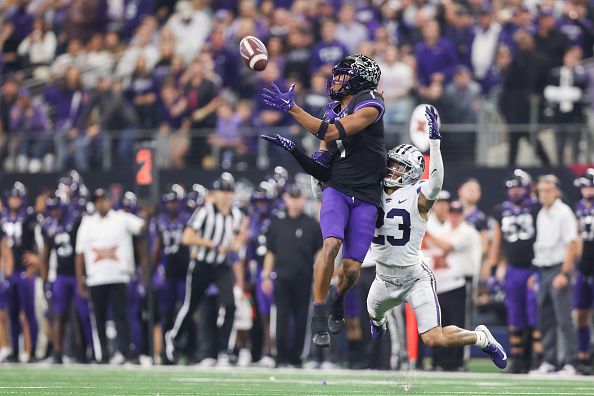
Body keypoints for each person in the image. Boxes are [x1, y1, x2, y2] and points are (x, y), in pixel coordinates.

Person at [365, 106, 506, 370]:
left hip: (413, 278)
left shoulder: (418, 196)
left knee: (434, 339)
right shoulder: (373, 189)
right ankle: (378, 322)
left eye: (399, 166)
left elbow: (437, 181)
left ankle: (480, 337)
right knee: (374, 314)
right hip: (382, 277)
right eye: (391, 164)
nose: (392, 169)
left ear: (412, 172)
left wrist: (434, 144)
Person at [261, 53, 386, 348]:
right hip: (337, 188)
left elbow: (330, 131)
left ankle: (336, 298)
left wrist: (292, 109)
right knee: (330, 245)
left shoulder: (371, 102)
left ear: (359, 79)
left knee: (352, 269)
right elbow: (321, 169)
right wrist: (294, 150)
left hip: (367, 193)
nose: (336, 79)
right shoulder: (331, 110)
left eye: (343, 74)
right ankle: (319, 315)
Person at [164, 173, 244, 364]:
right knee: (190, 307)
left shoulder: (237, 214)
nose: (225, 195)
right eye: (222, 191)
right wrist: (213, 244)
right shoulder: (205, 211)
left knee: (231, 305)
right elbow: (187, 238)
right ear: (215, 193)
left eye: (228, 191)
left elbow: (240, 235)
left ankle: (226, 349)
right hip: (201, 264)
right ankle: (173, 338)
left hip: (221, 265)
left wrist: (237, 243)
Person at [75, 188, 146, 364]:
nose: (101, 203)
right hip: (95, 278)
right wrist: (79, 281)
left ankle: (126, 352)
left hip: (119, 276)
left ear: (110, 201)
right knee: (97, 319)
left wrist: (148, 212)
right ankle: (102, 356)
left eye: (103, 199)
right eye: (97, 200)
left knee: (122, 316)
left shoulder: (122, 218)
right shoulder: (87, 222)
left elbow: (142, 227)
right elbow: (80, 253)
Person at [261, 184, 323, 367]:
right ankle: (279, 357)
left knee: (301, 319)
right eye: (292, 198)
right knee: (280, 318)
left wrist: (318, 279)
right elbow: (270, 252)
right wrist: (265, 276)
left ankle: (297, 358)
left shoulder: (312, 225)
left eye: (298, 198)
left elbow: (320, 255)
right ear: (286, 199)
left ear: (303, 200)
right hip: (281, 278)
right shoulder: (277, 223)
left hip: (303, 279)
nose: (295, 202)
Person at [487, 169, 542, 373]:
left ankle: (538, 359)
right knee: (515, 316)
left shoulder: (537, 208)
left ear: (528, 188)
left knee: (535, 316)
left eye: (520, 188)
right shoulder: (499, 211)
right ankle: (517, 360)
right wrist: (493, 271)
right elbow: (497, 243)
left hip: (533, 268)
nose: (516, 192)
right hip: (513, 270)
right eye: (512, 188)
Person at [530, 175, 581, 375]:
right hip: (543, 269)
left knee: (564, 318)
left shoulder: (564, 212)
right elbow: (542, 245)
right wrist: (536, 271)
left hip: (559, 268)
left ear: (557, 191)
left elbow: (572, 243)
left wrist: (564, 272)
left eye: (548, 190)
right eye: (541, 190)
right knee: (546, 318)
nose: (544, 194)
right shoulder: (542, 212)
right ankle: (549, 360)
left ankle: (572, 362)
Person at [424, 201, 482, 371]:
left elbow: (446, 246)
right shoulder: (445, 231)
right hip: (442, 283)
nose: (454, 215)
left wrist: (425, 232)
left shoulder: (467, 232)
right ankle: (441, 362)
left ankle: (459, 362)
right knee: (441, 325)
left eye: (458, 212)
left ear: (463, 214)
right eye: (452, 212)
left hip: (461, 281)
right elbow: (433, 250)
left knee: (459, 323)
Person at [40, 192, 91, 364]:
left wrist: (83, 276)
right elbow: (45, 255)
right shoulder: (47, 226)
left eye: (57, 208)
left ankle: (85, 353)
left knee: (83, 315)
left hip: (77, 276)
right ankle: (57, 352)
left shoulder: (77, 221)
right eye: (51, 209)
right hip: (61, 277)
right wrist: (45, 280)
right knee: (59, 315)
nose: (54, 212)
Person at [1, 182, 41, 363]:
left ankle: (31, 352)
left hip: (25, 271)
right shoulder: (3, 217)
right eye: (11, 197)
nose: (14, 201)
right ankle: (14, 351)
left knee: (29, 313)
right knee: (12, 313)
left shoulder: (31, 216)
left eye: (17, 197)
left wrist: (37, 260)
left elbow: (42, 239)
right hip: (9, 272)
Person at [151, 185, 191, 350]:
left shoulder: (189, 219)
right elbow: (157, 249)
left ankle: (188, 349)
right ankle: (167, 350)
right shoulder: (160, 222)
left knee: (187, 313)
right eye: (169, 202)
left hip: (186, 274)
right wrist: (150, 273)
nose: (172, 205)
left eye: (175, 202)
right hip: (167, 275)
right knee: (166, 314)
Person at [573, 169, 594, 371]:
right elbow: (577, 236)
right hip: (584, 266)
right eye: (585, 186)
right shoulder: (579, 207)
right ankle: (583, 356)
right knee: (580, 313)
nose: (588, 190)